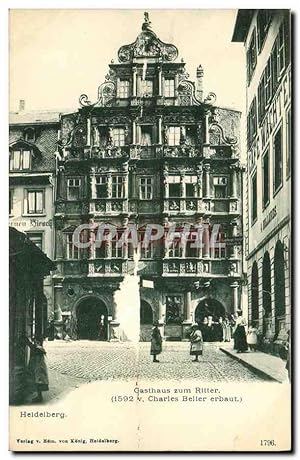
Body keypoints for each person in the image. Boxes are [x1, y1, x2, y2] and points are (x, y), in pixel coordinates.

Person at [26, 336, 49, 403]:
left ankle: (39, 397)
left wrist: (28, 343)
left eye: (36, 341)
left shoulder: (38, 349)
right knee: (38, 382)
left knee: (39, 382)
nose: (35, 342)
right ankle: (39, 396)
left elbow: (33, 348)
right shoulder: (39, 348)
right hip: (39, 368)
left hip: (39, 368)